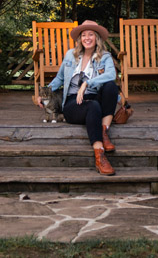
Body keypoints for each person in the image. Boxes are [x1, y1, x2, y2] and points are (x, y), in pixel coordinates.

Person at [41, 19, 118, 175]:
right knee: (93, 106)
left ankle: (104, 131)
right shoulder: (70, 55)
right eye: (84, 35)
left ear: (97, 38)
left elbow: (111, 74)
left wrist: (87, 84)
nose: (87, 38)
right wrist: (44, 93)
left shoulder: (105, 56)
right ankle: (100, 155)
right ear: (80, 39)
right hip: (73, 104)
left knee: (111, 86)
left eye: (91, 34)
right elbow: (60, 78)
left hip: (94, 97)